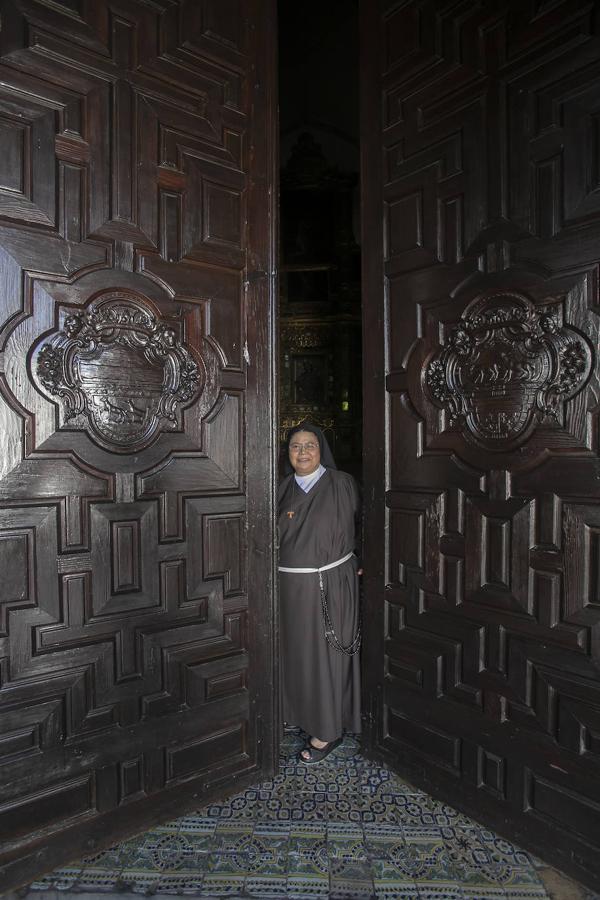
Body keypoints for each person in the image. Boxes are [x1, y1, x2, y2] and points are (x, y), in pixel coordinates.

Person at [278, 421, 362, 764]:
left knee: (326, 656)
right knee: (294, 654)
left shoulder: (341, 484)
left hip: (330, 584)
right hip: (287, 588)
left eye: (309, 445)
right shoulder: (281, 488)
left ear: (321, 449)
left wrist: (363, 558)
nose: (302, 452)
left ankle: (328, 730)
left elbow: (368, 522)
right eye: (295, 446)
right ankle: (295, 713)